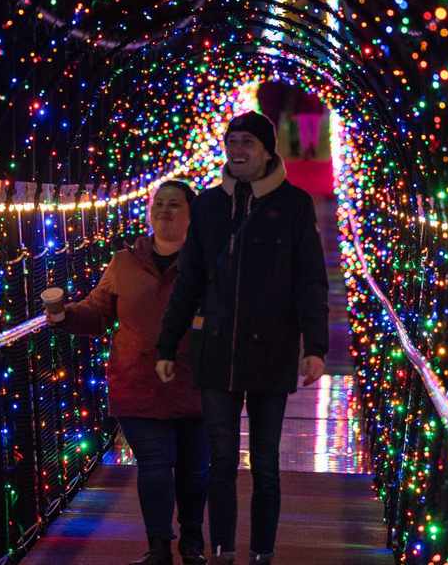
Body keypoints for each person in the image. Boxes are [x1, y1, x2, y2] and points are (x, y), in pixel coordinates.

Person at [155, 112, 329, 564]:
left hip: (271, 351)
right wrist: (167, 345)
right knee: (221, 462)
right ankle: (223, 550)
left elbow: (311, 279)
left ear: (268, 150)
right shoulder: (211, 205)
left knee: (266, 465)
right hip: (217, 352)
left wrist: (315, 348)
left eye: (247, 142)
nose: (237, 149)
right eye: (232, 141)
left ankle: (261, 553)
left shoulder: (294, 205)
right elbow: (189, 280)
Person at [48, 180, 209, 565]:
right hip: (138, 382)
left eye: (175, 205)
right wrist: (64, 314)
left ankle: (191, 542)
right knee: (154, 464)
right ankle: (158, 548)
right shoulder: (123, 263)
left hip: (198, 385)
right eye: (160, 204)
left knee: (193, 470)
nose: (165, 211)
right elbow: (98, 312)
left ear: (193, 214)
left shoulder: (212, 262)